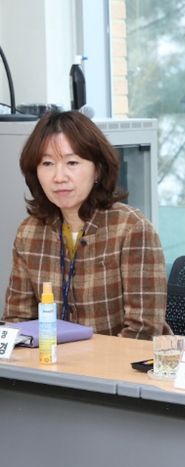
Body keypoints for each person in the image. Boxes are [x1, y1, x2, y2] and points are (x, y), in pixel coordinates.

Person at [3, 111, 171, 339]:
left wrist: (82, 360)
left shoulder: (132, 228)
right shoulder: (29, 232)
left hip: (122, 360)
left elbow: (142, 331)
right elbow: (17, 322)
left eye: (72, 162)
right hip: (49, 360)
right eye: (48, 163)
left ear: (98, 169)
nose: (59, 177)